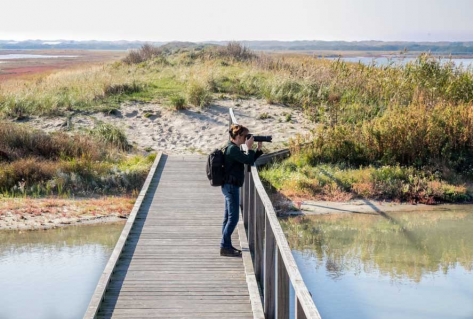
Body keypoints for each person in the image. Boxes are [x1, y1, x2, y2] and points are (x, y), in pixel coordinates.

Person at [220, 124, 263, 257]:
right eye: (245, 136)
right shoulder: (232, 149)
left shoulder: (234, 148)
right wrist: (249, 148)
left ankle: (226, 245)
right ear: (237, 136)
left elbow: (247, 160)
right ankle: (224, 246)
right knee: (233, 218)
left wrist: (258, 149)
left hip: (230, 186)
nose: (246, 139)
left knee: (228, 217)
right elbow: (248, 160)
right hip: (231, 187)